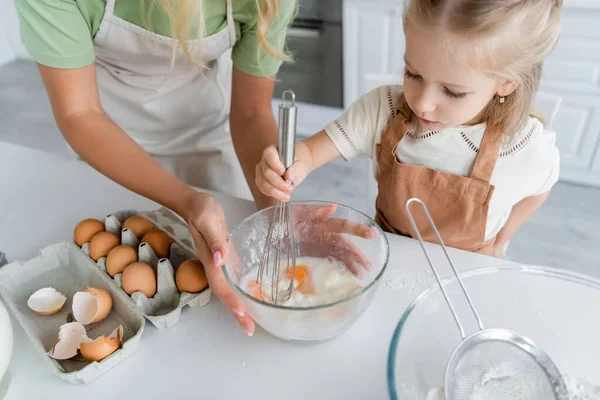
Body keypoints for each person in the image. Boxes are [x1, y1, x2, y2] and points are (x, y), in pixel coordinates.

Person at [15, 0, 298, 336]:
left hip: (206, 138)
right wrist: (187, 201)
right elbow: (80, 114)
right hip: (106, 147)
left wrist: (279, 217)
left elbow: (251, 112)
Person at [256, 0, 562, 258]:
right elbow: (310, 152)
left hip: (471, 271)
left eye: (452, 92)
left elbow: (541, 187)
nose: (423, 103)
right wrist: (289, 163)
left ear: (506, 84)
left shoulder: (524, 148)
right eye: (412, 73)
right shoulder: (383, 111)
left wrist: (500, 241)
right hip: (389, 257)